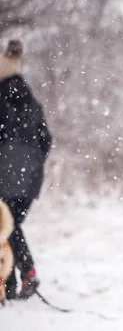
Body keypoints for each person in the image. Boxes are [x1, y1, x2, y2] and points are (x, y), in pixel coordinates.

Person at [0, 39, 53, 300]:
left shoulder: (1, 99)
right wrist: (32, 165)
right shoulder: (31, 102)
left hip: (5, 175)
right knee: (10, 227)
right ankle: (11, 283)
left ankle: (25, 274)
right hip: (30, 178)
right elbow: (46, 139)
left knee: (6, 228)